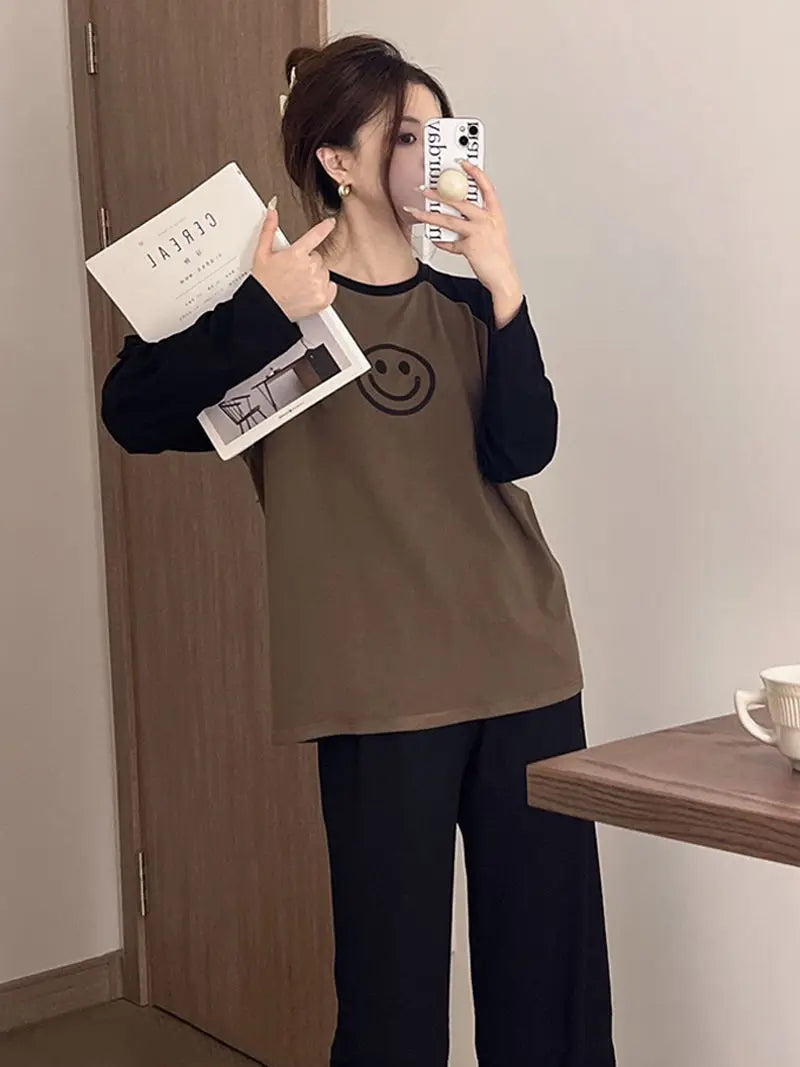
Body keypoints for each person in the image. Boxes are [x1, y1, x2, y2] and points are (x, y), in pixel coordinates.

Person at [101, 33, 616, 1067]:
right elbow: (132, 414)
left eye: (442, 135)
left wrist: (503, 280)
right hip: (377, 695)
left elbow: (523, 448)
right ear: (337, 160)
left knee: (548, 991)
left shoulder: (465, 302)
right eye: (406, 137)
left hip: (522, 668)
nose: (436, 155)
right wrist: (266, 310)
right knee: (391, 1006)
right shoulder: (268, 305)